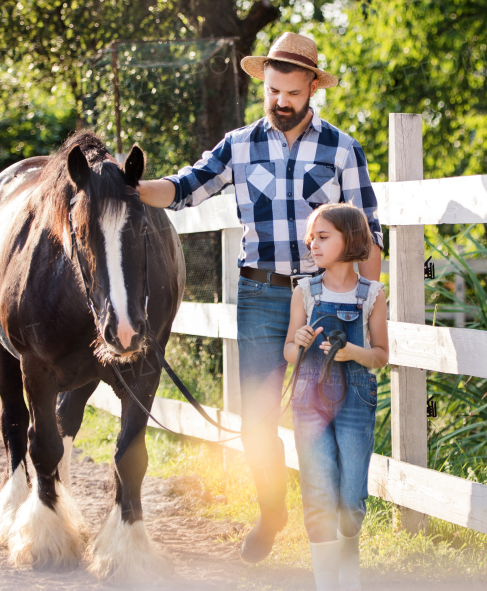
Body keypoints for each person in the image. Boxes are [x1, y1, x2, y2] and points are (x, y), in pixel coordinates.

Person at [137, 32, 383, 563]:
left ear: (312, 88)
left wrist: (365, 304)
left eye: (291, 93)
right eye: (272, 90)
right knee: (256, 418)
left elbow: (368, 236)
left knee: (332, 415)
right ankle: (272, 512)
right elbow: (184, 187)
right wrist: (130, 187)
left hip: (326, 300)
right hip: (262, 295)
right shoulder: (240, 145)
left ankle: (342, 540)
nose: (280, 102)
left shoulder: (343, 150)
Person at [285, 203, 388, 591]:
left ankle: (350, 576)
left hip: (356, 400)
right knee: (318, 488)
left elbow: (380, 355)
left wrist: (352, 354)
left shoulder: (372, 295)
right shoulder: (304, 292)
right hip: (309, 399)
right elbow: (290, 354)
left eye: (323, 237)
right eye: (311, 238)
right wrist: (299, 342)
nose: (313, 244)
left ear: (351, 240)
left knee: (350, 496)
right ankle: (328, 584)